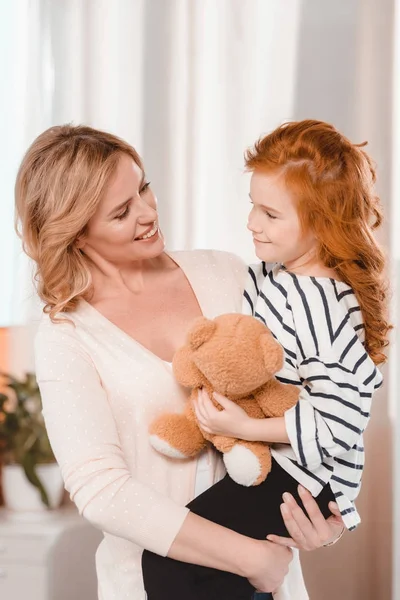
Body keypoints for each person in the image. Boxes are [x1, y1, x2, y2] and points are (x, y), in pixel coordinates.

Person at [15, 124, 345, 600]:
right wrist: (251, 558)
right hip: (158, 585)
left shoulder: (228, 272)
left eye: (144, 188)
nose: (148, 212)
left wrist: (325, 518)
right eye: (121, 212)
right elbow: (100, 488)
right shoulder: (68, 336)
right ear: (77, 233)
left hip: (271, 583)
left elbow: (309, 401)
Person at [141, 120, 390, 600]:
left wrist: (247, 428)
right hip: (280, 464)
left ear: (322, 223)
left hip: (305, 478)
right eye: (252, 204)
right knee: (213, 569)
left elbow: (342, 420)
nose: (252, 222)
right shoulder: (267, 275)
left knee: (172, 559)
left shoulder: (325, 307)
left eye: (270, 213)